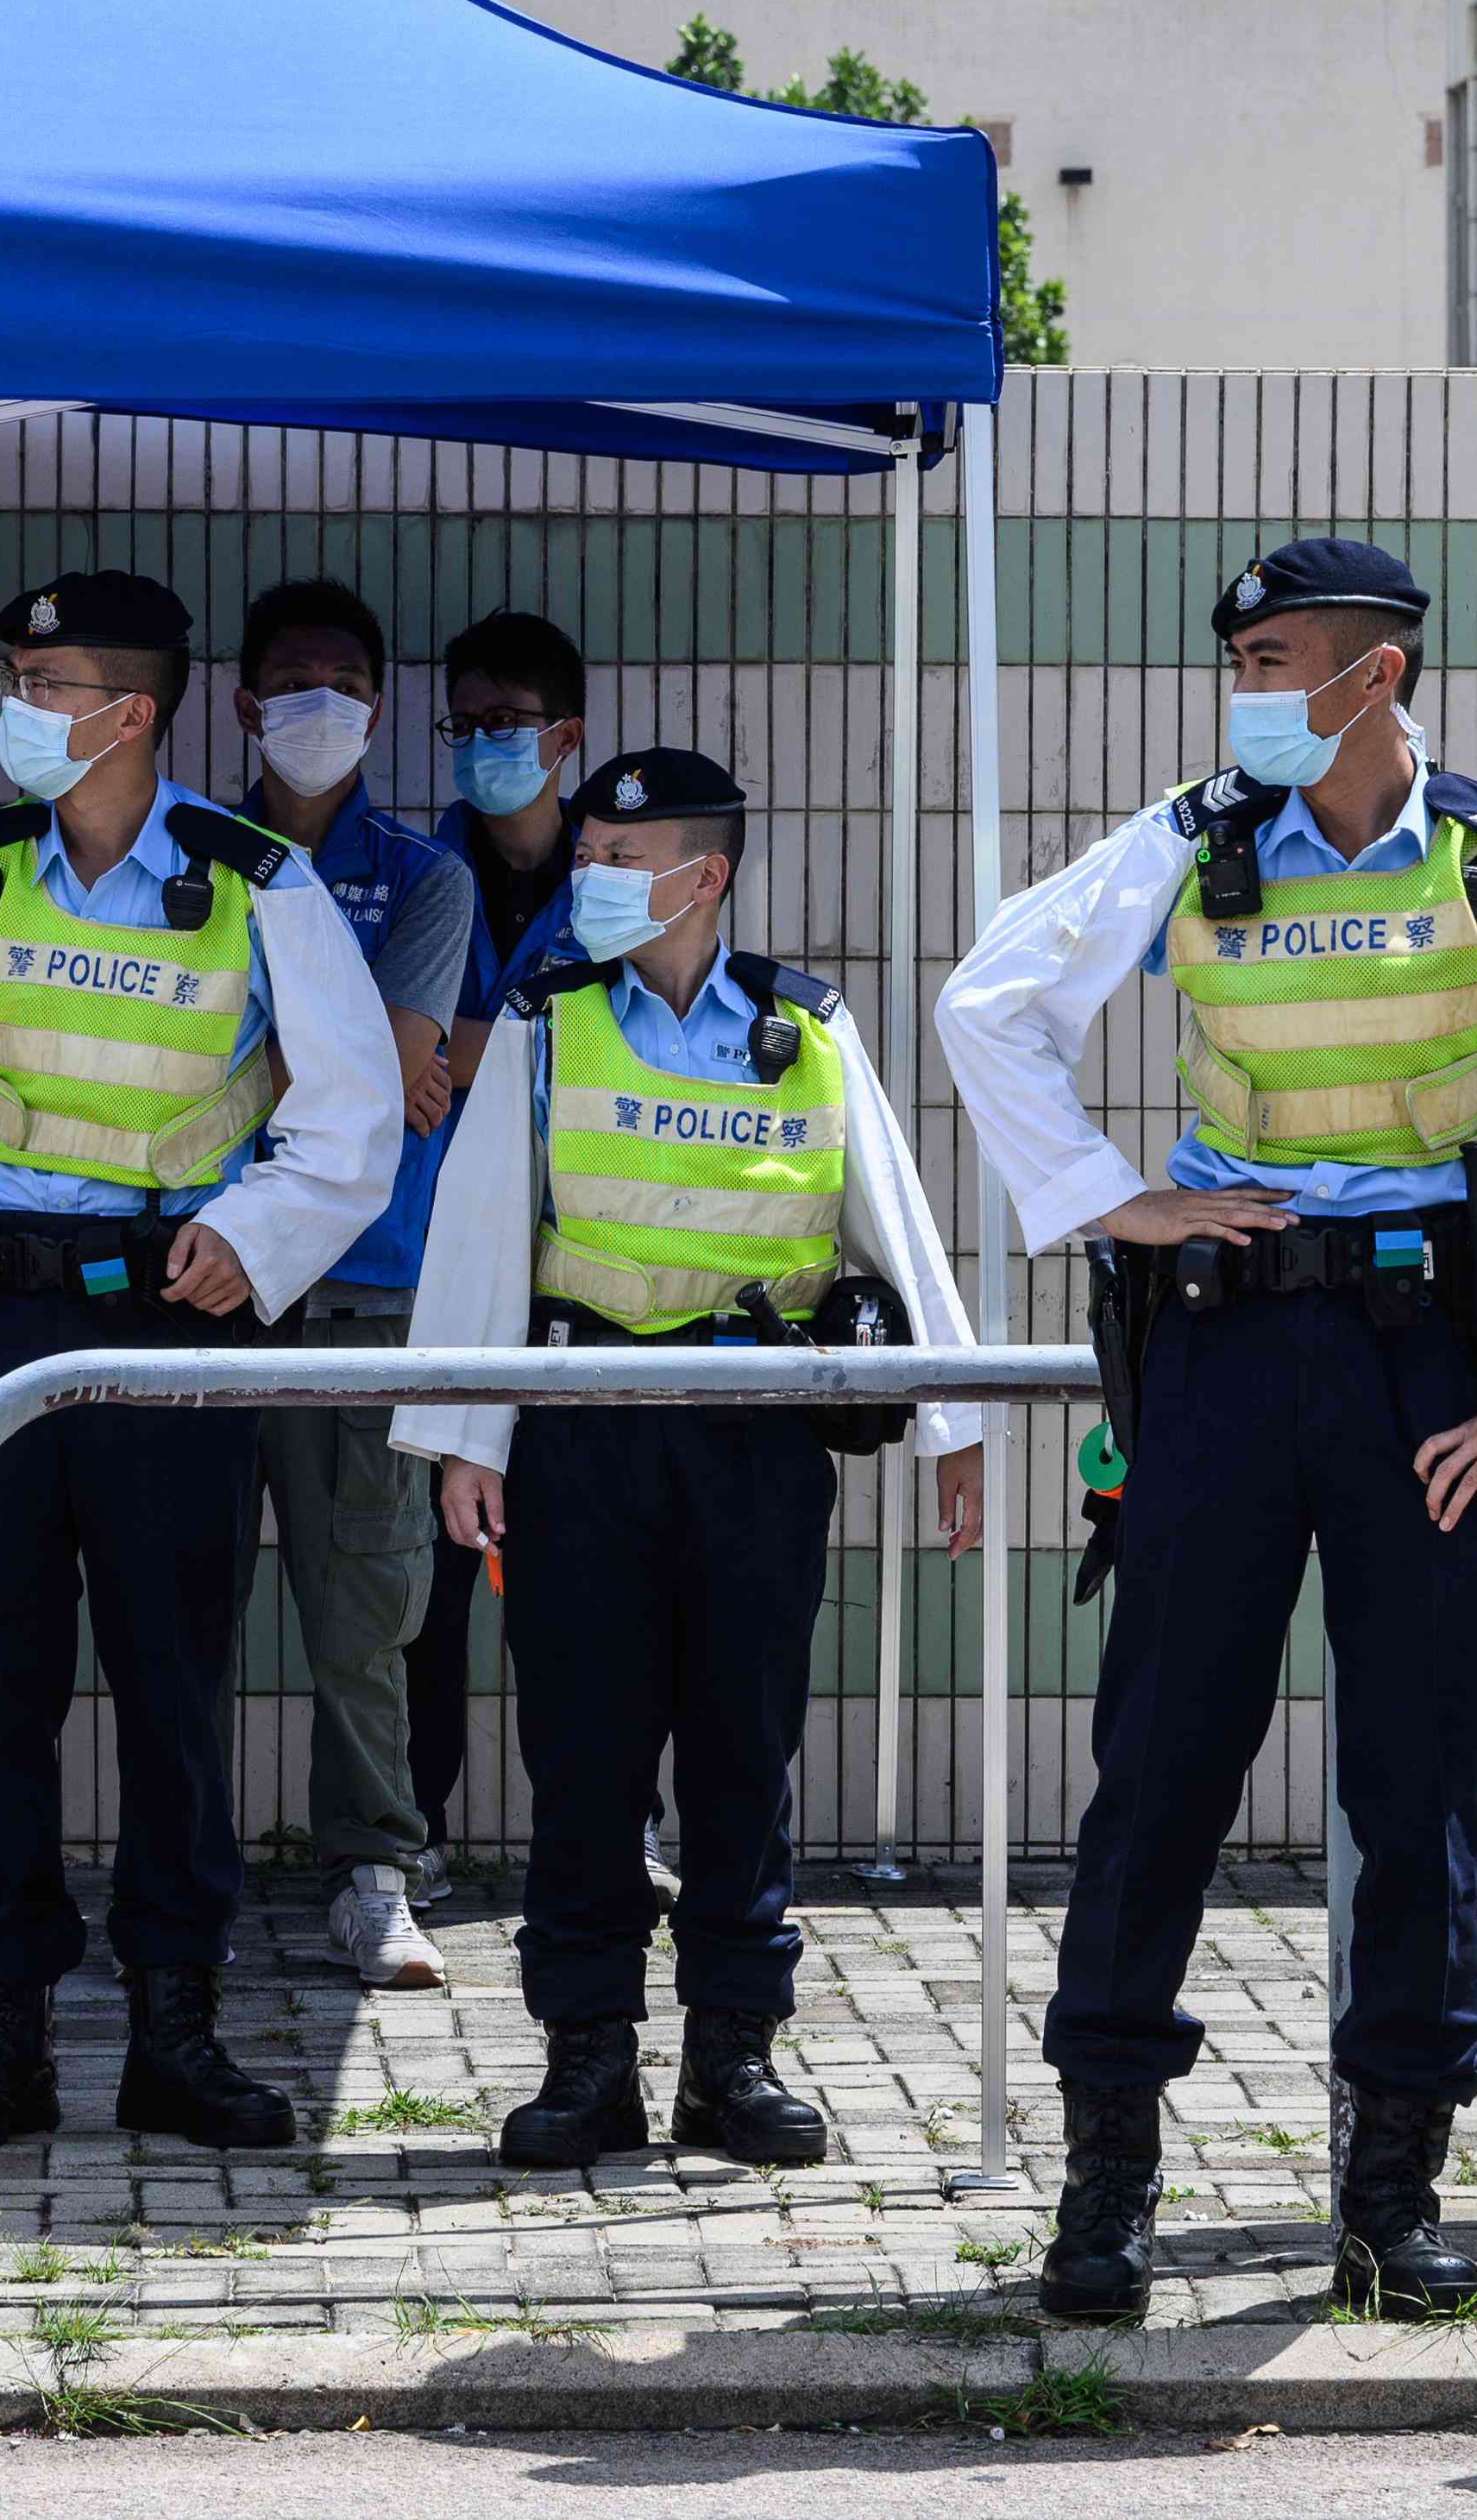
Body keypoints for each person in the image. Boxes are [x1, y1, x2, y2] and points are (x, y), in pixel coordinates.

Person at [939, 539, 1477, 2328]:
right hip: (1230, 1348)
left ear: (1375, 678)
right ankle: (1107, 2187)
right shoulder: (1191, 835)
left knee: (1414, 1784)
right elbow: (988, 1002)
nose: (1244, 686)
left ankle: (1393, 2191)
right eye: (1238, 659)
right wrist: (1113, 1200)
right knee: (1163, 1758)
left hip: (1435, 1365)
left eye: (1273, 656)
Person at [0, 571, 399, 2151]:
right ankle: (1, 2042)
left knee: (174, 1686)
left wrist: (263, 1230)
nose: (17, 704)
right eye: (14, 675)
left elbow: (351, 1110)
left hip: (173, 1314)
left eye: (45, 680)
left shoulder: (258, 882)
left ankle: (176, 2030)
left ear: (129, 713)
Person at [397, 747, 982, 2169]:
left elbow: (890, 1225)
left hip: (755, 1443)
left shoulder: (808, 1027)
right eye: (584, 850)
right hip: (580, 1433)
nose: (585, 875)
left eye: (614, 855)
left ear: (701, 876)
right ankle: (584, 2062)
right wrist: (462, 1439)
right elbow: (481, 1234)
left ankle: (732, 2060)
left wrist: (956, 1424)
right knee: (584, 1758)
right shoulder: (544, 1023)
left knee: (742, 1755)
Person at [229, 577, 475, 1991]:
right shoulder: (182, 853)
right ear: (246, 702)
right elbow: (368, 1075)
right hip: (205, 1290)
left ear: (379, 708)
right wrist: (358, 1067)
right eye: (291, 680)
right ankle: (180, 1860)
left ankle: (373, 1866)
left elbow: (384, 1074)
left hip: (371, 1292)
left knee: (368, 1607)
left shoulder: (423, 874)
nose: (318, 705)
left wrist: (312, 1067)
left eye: (346, 681)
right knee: (182, 1602)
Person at [415, 608, 594, 1885]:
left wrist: (462, 1049)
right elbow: (379, 1055)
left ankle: (597, 1836)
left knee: (576, 1591)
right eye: (466, 725)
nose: (484, 746)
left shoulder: (617, 883)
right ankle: (410, 1835)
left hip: (579, 1273)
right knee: (419, 1590)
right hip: (422, 1270)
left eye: (509, 726)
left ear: (565, 739)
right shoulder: (412, 872)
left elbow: (600, 1066)